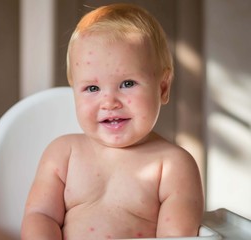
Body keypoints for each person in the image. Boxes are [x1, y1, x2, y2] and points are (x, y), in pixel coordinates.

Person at [21, 3, 204, 240]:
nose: (109, 102)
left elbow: (177, 236)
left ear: (163, 87)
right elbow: (39, 215)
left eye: (127, 83)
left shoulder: (172, 166)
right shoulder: (63, 154)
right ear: (74, 90)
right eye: (92, 88)